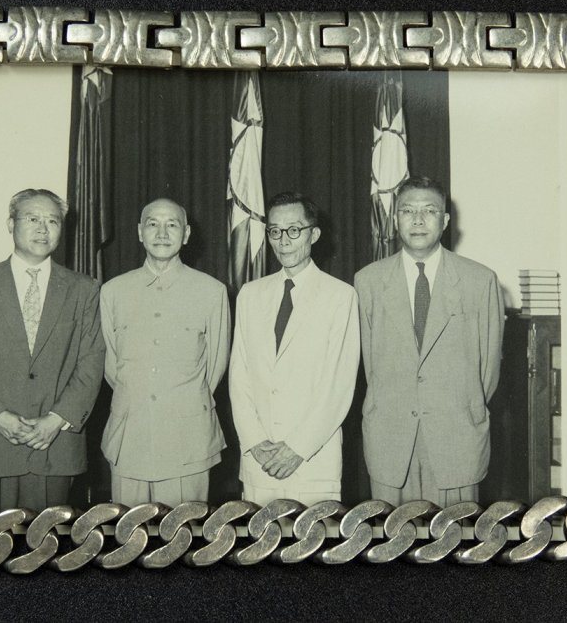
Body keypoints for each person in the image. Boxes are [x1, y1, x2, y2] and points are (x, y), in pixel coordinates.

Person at [0, 188, 106, 511]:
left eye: (52, 221)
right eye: (33, 219)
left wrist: (56, 420)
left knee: (46, 541)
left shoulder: (84, 290)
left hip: (54, 445)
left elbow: (91, 362)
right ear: (11, 224)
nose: (43, 228)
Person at [354, 175, 505, 507]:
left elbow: (488, 372)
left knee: (455, 536)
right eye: (408, 211)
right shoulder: (368, 282)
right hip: (390, 441)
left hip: (456, 440)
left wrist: (458, 407)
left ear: (446, 220)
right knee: (391, 536)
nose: (418, 220)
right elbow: (369, 364)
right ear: (395, 219)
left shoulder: (479, 281)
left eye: (429, 211)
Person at [229, 191, 360, 506]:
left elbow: (338, 386)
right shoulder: (250, 294)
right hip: (260, 461)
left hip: (313, 461)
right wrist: (254, 442)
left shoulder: (340, 296)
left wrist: (297, 449)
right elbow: (239, 376)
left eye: (294, 230)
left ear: (314, 235)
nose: (283, 240)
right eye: (275, 231)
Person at [100, 198, 230, 506]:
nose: (161, 233)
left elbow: (215, 366)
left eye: (171, 224)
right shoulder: (113, 291)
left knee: (184, 532)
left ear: (186, 234)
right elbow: (111, 366)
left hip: (187, 440)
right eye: (152, 224)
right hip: (129, 438)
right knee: (127, 531)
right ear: (139, 232)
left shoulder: (212, 291)